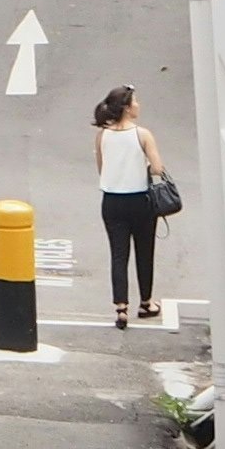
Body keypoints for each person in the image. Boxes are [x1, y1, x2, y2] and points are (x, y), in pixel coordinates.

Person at [95, 85, 171, 327]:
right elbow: (158, 168)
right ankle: (146, 302)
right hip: (140, 200)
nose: (138, 105)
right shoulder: (142, 135)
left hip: (112, 200)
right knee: (144, 252)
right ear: (127, 108)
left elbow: (101, 167)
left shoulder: (102, 135)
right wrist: (145, 165)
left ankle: (121, 307)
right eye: (135, 102)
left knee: (118, 254)